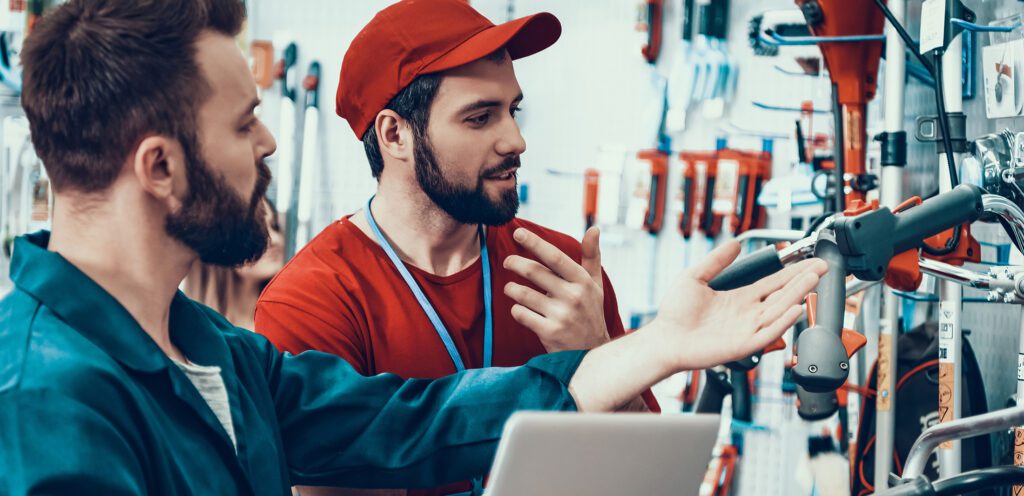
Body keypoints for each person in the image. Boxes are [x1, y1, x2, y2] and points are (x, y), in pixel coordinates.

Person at [0, 0, 826, 494]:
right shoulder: (44, 398)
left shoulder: (214, 353)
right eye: (245, 123)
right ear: (161, 166)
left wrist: (655, 346)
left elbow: (417, 421)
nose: (270, 146)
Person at [253, 5, 663, 494]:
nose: (516, 140)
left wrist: (596, 356)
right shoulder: (314, 300)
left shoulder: (561, 275)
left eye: (512, 111)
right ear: (395, 134)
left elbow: (651, 479)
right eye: (479, 118)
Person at [186, 198, 284, 331]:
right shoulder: (186, 332)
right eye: (257, 231)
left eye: (275, 226)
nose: (275, 240)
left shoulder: (284, 327)